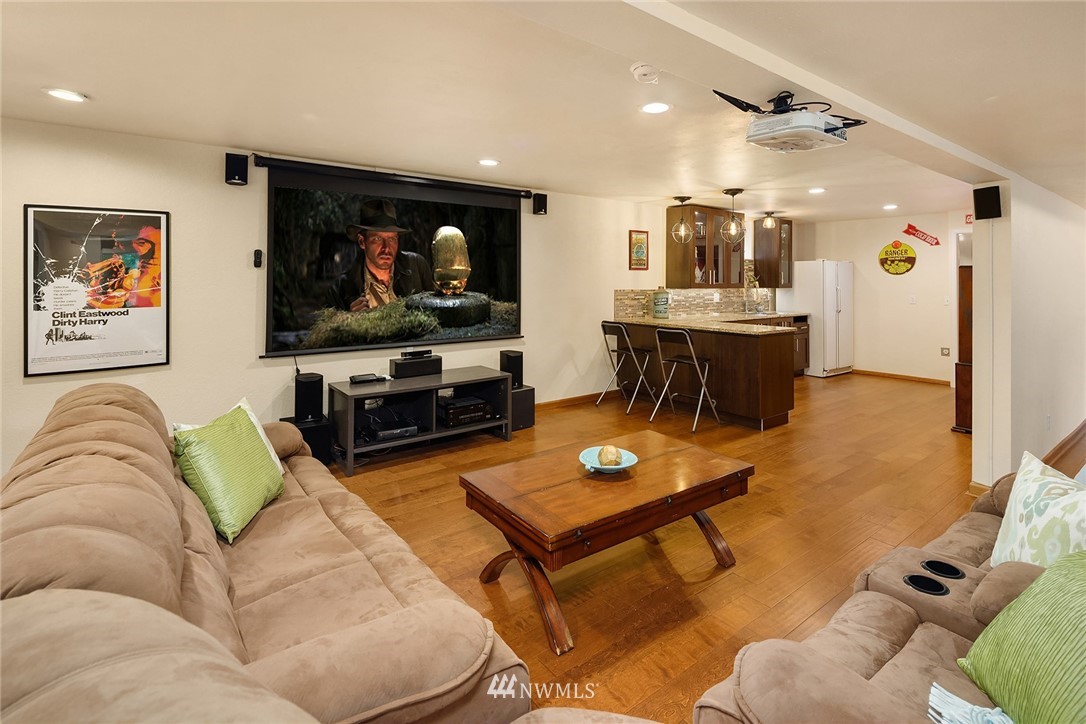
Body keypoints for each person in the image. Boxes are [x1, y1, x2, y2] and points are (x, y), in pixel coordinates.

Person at [329, 198, 435, 312]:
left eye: (392, 239)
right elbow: (328, 322)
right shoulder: (342, 288)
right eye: (377, 239)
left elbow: (437, 312)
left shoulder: (416, 266)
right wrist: (349, 319)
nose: (386, 248)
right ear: (362, 242)